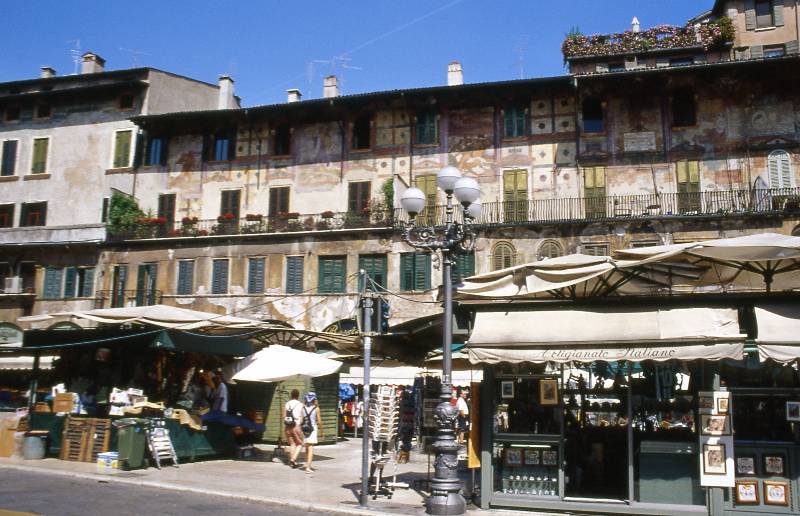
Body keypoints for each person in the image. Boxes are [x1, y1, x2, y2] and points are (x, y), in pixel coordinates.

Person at [302, 392, 324, 473]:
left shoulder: (303, 407)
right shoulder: (316, 408)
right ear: (314, 399)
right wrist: (322, 431)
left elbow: (302, 420)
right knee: (311, 447)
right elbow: (319, 421)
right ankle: (308, 468)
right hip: (313, 428)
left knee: (307, 447)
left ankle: (307, 463)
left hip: (305, 428)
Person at [284, 389, 304, 468]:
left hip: (287, 426)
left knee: (292, 444)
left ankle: (293, 463)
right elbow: (301, 419)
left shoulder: (287, 404)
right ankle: (293, 459)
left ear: (291, 395)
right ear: (298, 396)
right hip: (296, 426)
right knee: (300, 444)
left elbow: (284, 416)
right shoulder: (300, 404)